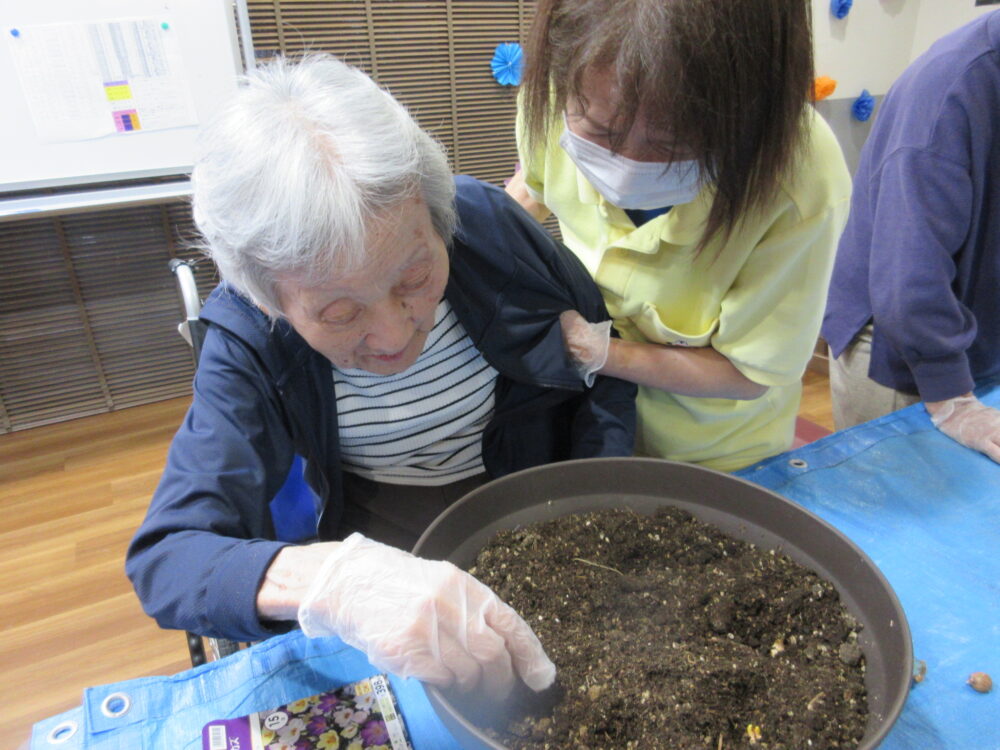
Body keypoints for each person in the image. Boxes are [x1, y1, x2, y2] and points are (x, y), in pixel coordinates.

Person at [125, 54, 636, 699]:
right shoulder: (249, 336)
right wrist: (335, 581)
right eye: (340, 313)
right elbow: (168, 558)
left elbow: (603, 366)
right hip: (386, 530)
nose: (396, 335)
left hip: (528, 489)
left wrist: (595, 500)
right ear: (271, 300)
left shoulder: (487, 225)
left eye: (415, 278)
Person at [506, 0, 852, 472]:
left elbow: (749, 373)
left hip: (714, 450)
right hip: (589, 417)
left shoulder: (799, 181)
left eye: (670, 145)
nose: (627, 170)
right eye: (599, 131)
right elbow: (533, 183)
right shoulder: (552, 95)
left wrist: (602, 351)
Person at [822, 11, 1000, 463]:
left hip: (976, 331)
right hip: (903, 346)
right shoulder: (951, 89)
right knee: (892, 512)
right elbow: (908, 281)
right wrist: (953, 399)